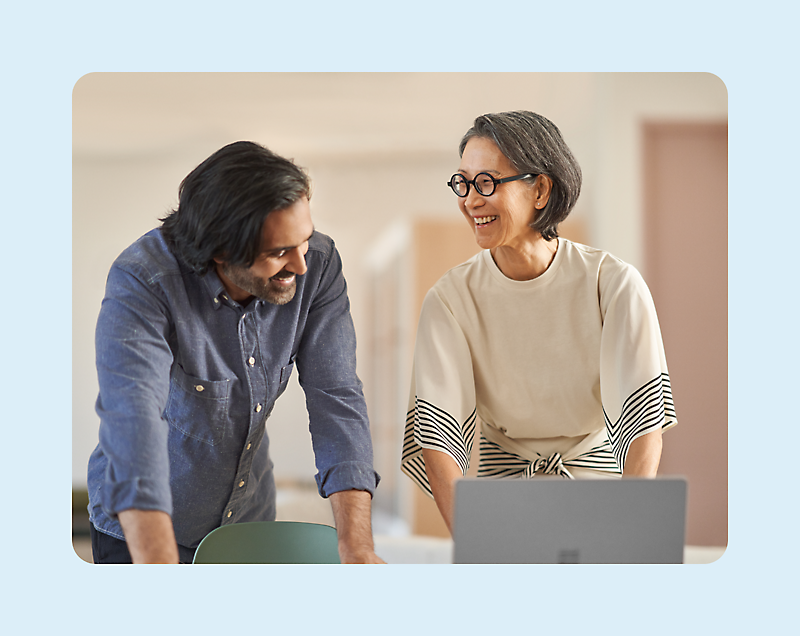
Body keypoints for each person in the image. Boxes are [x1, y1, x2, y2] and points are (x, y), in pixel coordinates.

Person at [87, 141, 383, 563]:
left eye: (304, 239)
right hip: (142, 530)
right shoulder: (144, 280)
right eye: (279, 252)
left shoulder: (315, 264)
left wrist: (357, 549)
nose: (300, 264)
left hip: (247, 523)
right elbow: (133, 425)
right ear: (220, 252)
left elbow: (336, 398)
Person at [401, 111, 678, 534]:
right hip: (500, 501)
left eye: (488, 182)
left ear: (541, 190)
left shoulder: (613, 284)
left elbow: (644, 426)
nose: (471, 200)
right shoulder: (450, 299)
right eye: (463, 182)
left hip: (602, 495)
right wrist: (475, 541)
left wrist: (627, 533)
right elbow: (437, 442)